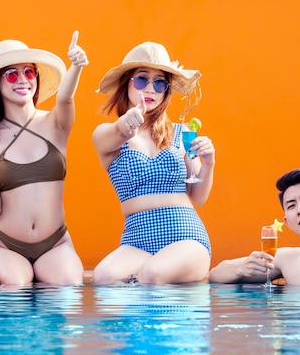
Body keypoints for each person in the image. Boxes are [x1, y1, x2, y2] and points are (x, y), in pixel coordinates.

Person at [0, 32, 88, 285]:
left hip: (55, 243)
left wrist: (76, 67)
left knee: (68, 287)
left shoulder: (55, 123)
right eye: (12, 74)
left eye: (29, 72)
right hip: (4, 245)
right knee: (15, 288)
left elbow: (65, 98)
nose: (23, 80)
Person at [91, 41, 216, 285]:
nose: (150, 89)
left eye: (159, 83)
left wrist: (209, 162)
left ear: (166, 91)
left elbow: (198, 196)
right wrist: (130, 119)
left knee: (152, 273)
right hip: (137, 239)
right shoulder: (106, 135)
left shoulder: (181, 134)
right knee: (103, 278)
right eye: (141, 80)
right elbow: (120, 131)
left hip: (185, 234)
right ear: (126, 83)